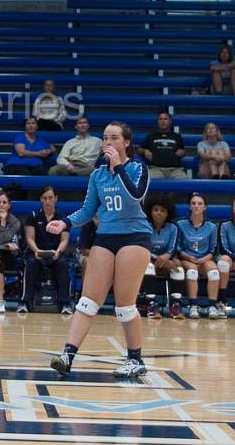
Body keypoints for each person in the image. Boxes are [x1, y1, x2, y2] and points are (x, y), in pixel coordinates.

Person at [48, 121, 150, 379]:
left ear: (126, 142)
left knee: (125, 306)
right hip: (105, 237)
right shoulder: (97, 175)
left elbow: (135, 197)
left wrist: (118, 168)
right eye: (105, 138)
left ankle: (135, 359)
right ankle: (67, 355)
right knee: (87, 301)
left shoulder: (138, 168)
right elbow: (88, 210)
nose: (108, 143)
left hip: (134, 238)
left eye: (114, 138)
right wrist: (66, 222)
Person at [19, 186, 73, 315]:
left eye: (50, 198)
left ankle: (65, 303)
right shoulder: (33, 216)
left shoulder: (62, 217)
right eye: (44, 198)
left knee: (63, 263)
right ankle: (24, 302)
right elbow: (29, 238)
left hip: (56, 252)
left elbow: (64, 240)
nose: (48, 201)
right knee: (31, 263)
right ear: (41, 200)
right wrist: (37, 251)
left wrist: (58, 252)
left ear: (56, 199)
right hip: (36, 252)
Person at [176, 193, 221, 319]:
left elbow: (213, 248)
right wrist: (188, 257)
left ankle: (212, 306)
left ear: (205, 207)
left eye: (200, 204)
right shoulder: (181, 224)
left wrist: (206, 258)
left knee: (214, 272)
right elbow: (178, 247)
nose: (196, 206)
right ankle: (193, 306)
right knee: (192, 271)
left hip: (204, 259)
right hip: (187, 258)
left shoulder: (211, 227)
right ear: (190, 207)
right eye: (193, 203)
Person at [142, 193, 183, 319]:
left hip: (165, 262)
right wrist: (158, 258)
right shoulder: (144, 226)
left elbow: (172, 248)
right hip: (147, 260)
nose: (158, 213)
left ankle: (175, 305)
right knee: (148, 265)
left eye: (162, 210)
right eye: (155, 210)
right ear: (150, 211)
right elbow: (144, 248)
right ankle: (151, 305)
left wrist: (166, 257)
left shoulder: (173, 228)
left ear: (168, 213)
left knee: (178, 269)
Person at [140, 112, 187, 179]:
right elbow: (139, 149)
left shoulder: (177, 136)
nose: (163, 121)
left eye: (165, 119)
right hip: (155, 169)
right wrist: (145, 150)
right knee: (149, 183)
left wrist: (182, 151)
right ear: (157, 121)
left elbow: (184, 151)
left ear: (170, 121)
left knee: (184, 183)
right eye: (160, 119)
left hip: (175, 170)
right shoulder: (151, 136)